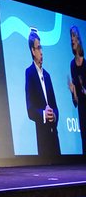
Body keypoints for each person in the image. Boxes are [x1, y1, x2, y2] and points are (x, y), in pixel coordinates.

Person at [25, 30, 61, 158]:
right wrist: (44, 114)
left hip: (54, 135)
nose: (41, 52)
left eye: (41, 48)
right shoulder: (29, 73)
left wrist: (54, 115)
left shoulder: (47, 75)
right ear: (33, 51)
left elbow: (55, 106)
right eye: (38, 48)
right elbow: (30, 109)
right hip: (42, 135)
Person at [67, 25, 86, 155]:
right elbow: (76, 102)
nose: (72, 39)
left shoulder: (85, 64)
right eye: (71, 36)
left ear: (78, 39)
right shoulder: (72, 64)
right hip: (82, 109)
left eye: (74, 36)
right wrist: (72, 90)